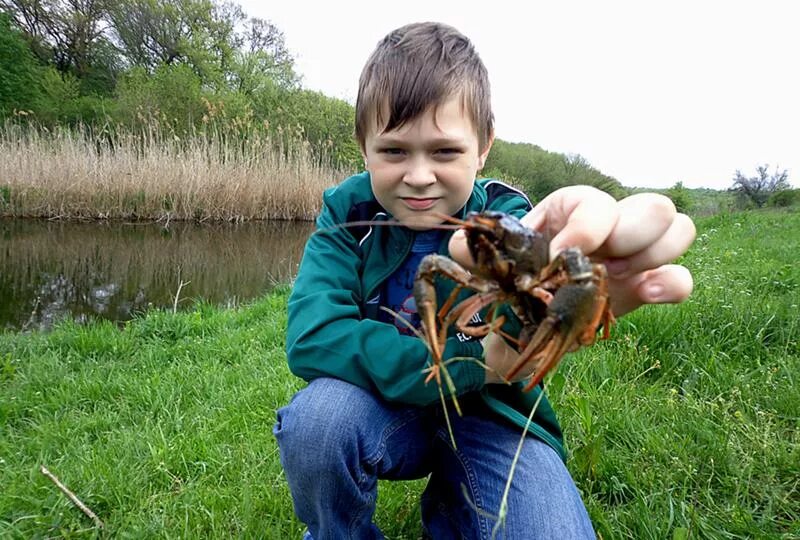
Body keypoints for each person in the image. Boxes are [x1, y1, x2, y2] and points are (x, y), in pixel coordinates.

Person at [274, 21, 695, 540]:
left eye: (445, 151)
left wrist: (580, 276)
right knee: (318, 422)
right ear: (364, 146)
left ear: (484, 146)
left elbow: (523, 342)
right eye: (394, 151)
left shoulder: (515, 216)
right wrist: (471, 361)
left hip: (494, 415)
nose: (420, 176)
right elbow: (313, 337)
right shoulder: (346, 212)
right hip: (385, 406)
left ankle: (454, 506)